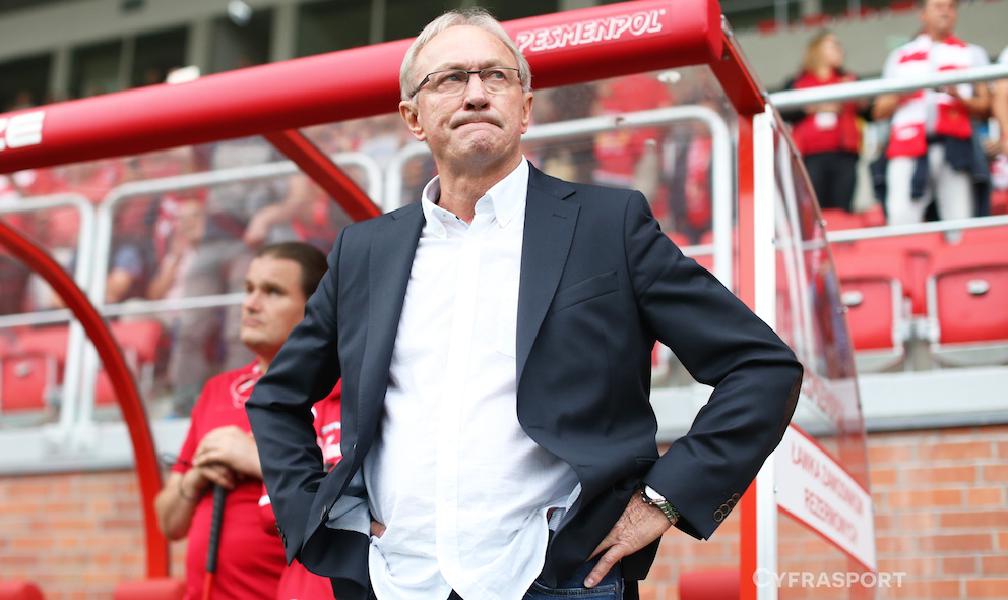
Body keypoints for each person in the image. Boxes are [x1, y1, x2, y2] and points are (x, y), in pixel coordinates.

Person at [247, 9, 803, 600]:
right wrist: (319, 517)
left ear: (525, 107)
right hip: (394, 579)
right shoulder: (363, 251)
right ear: (413, 117)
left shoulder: (607, 225)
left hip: (558, 577)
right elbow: (278, 397)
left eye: (497, 76)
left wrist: (664, 499)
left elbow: (761, 367)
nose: (476, 93)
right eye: (450, 79)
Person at [154, 242, 338, 600]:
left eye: (272, 292)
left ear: (314, 308)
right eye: (249, 289)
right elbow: (169, 524)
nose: (251, 304)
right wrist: (195, 478)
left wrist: (256, 459)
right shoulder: (217, 390)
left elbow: (346, 510)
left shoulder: (339, 392)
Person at [872, 0, 990, 225]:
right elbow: (879, 111)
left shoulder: (972, 53)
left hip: (955, 147)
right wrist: (907, 90)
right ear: (923, 14)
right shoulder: (900, 56)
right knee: (901, 219)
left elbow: (985, 106)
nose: (945, 12)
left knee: (959, 221)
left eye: (951, 7)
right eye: (938, 6)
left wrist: (958, 97)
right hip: (908, 146)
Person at [782, 31, 864, 214]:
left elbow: (869, 111)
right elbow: (783, 111)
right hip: (810, 156)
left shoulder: (850, 79)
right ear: (817, 50)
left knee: (842, 209)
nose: (840, 50)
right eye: (833, 46)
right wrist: (814, 107)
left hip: (844, 155)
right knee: (812, 209)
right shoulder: (797, 83)